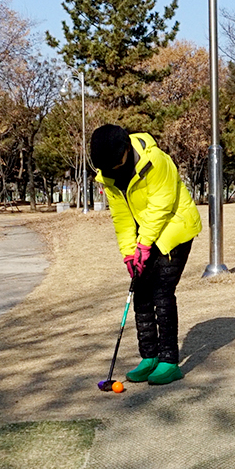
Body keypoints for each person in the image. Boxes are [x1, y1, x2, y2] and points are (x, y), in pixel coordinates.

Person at [90, 124, 202, 386]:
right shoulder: (108, 175)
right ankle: (149, 357)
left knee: (162, 292)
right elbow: (121, 216)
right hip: (146, 234)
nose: (114, 170)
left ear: (127, 149)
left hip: (175, 228)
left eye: (117, 164)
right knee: (140, 292)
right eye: (108, 168)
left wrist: (144, 244)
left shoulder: (156, 161)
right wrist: (129, 252)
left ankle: (168, 361)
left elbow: (161, 205)